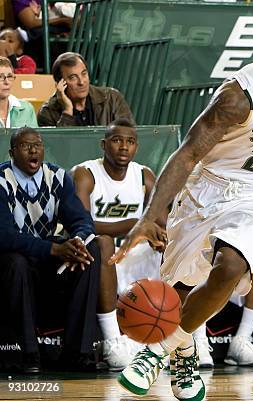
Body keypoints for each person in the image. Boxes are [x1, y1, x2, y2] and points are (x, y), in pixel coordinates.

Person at [112, 14, 253, 401]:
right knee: (181, 290)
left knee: (231, 266)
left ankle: (155, 353)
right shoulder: (238, 97)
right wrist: (153, 214)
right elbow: (186, 155)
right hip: (207, 190)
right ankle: (183, 351)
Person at [0, 127, 101, 373]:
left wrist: (78, 240)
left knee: (92, 250)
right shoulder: (1, 179)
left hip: (47, 255)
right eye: (26, 146)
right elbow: (4, 236)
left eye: (38, 145)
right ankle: (28, 353)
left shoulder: (58, 177)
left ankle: (79, 352)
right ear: (13, 152)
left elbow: (81, 219)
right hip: (14, 258)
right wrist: (54, 249)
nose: (34, 150)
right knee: (16, 262)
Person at [71, 119, 160, 370]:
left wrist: (161, 236)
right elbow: (81, 224)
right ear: (103, 144)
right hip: (97, 258)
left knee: (173, 247)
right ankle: (113, 341)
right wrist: (134, 224)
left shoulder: (144, 175)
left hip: (133, 256)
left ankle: (184, 339)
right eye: (117, 140)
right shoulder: (85, 173)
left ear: (136, 147)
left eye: (130, 142)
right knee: (104, 243)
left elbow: (161, 222)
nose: (124, 147)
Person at [38, 52, 134, 127]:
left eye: (84, 74)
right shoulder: (47, 113)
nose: (82, 82)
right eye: (73, 77)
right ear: (60, 84)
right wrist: (67, 112)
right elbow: (60, 148)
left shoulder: (112, 99)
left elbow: (130, 137)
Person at [0, 56, 37, 128]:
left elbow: (35, 138)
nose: (7, 82)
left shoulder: (26, 109)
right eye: (0, 77)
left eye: (10, 76)